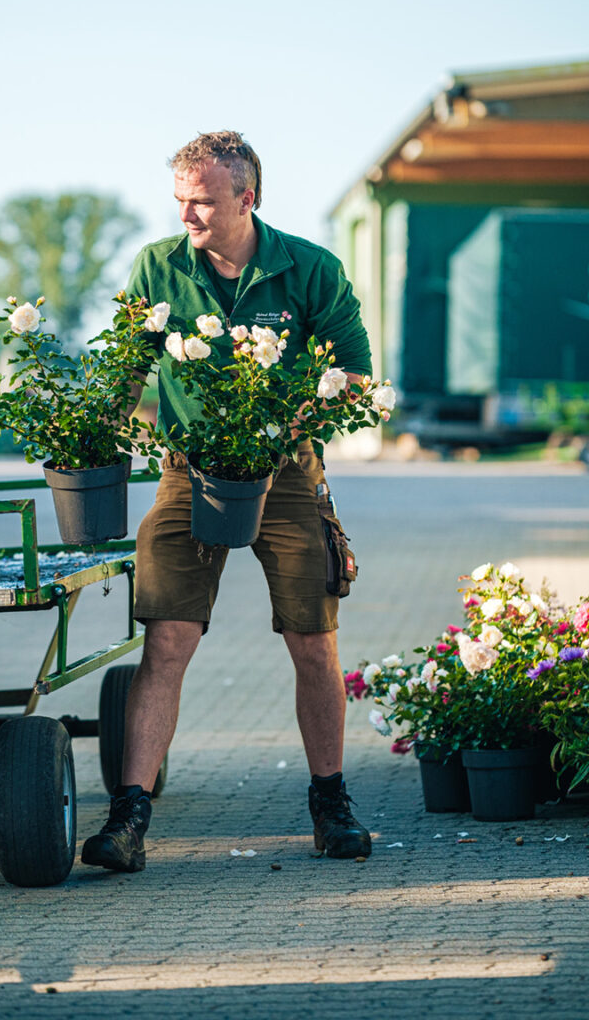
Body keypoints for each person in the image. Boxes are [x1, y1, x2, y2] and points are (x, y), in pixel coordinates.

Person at [81, 131, 373, 874]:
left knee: (313, 642)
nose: (188, 216)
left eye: (203, 202)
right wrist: (92, 436)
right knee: (168, 641)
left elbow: (357, 378)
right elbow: (123, 367)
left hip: (288, 474)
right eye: (180, 201)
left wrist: (300, 423)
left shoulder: (309, 269)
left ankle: (330, 804)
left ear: (248, 198)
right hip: (189, 473)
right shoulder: (158, 267)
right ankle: (128, 818)